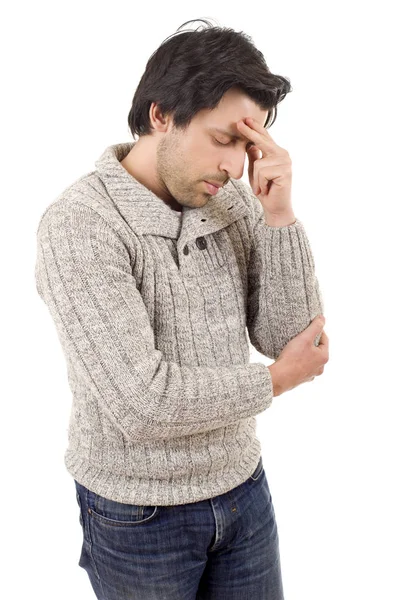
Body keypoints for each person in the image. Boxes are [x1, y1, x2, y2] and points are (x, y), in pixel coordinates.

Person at [34, 17, 329, 600]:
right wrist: (275, 382)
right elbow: (141, 405)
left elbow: (293, 338)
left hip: (243, 489)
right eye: (224, 140)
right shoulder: (80, 225)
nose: (237, 166)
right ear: (160, 115)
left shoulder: (232, 202)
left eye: (250, 145)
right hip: (137, 513)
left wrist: (279, 217)